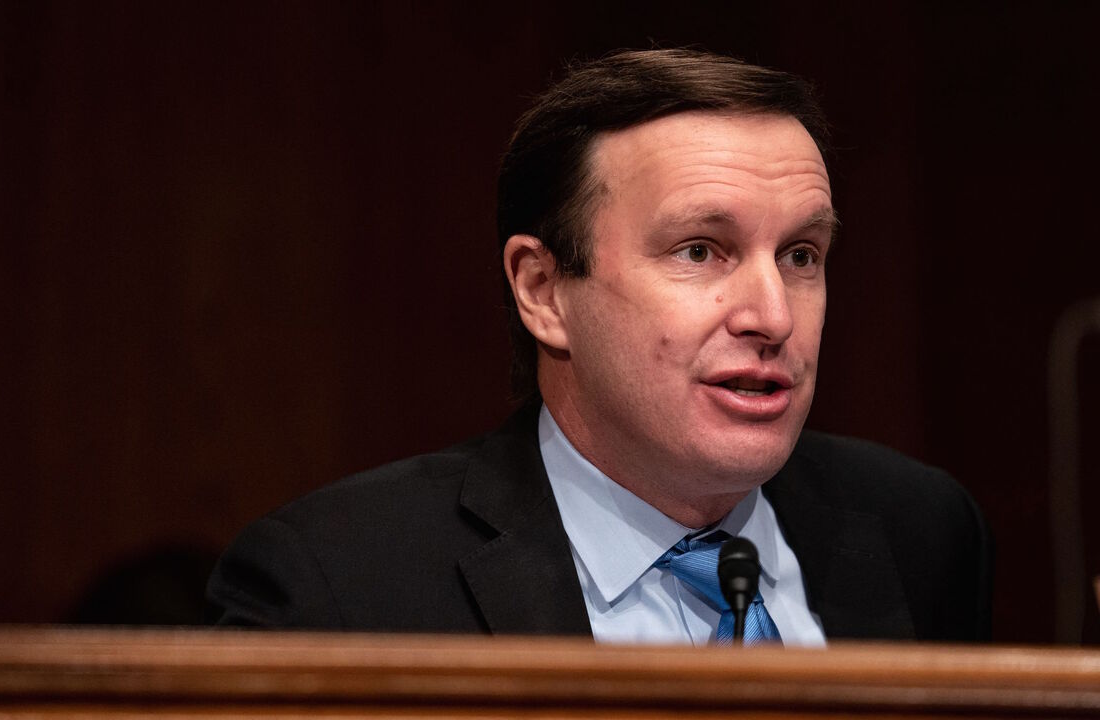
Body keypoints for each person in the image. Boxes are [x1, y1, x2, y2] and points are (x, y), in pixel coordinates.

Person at [207, 49, 992, 644]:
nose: (773, 315)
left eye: (801, 255)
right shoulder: (339, 588)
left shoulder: (920, 529)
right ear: (544, 291)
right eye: (699, 251)